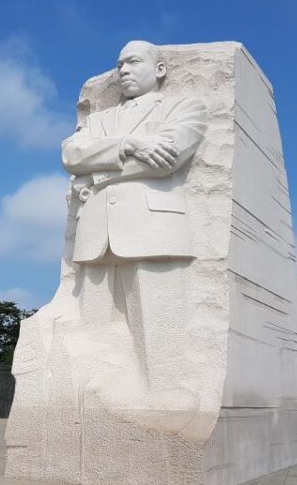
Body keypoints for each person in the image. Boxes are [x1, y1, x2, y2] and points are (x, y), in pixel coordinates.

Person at [60, 40, 207, 414]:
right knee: (92, 326)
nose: (123, 69)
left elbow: (166, 160)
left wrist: (97, 176)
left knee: (158, 319)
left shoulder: (184, 107)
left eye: (133, 61)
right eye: (119, 64)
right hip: (95, 233)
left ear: (159, 69)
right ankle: (90, 399)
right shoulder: (98, 121)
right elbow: (72, 154)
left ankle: (167, 397)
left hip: (151, 226)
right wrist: (130, 143)